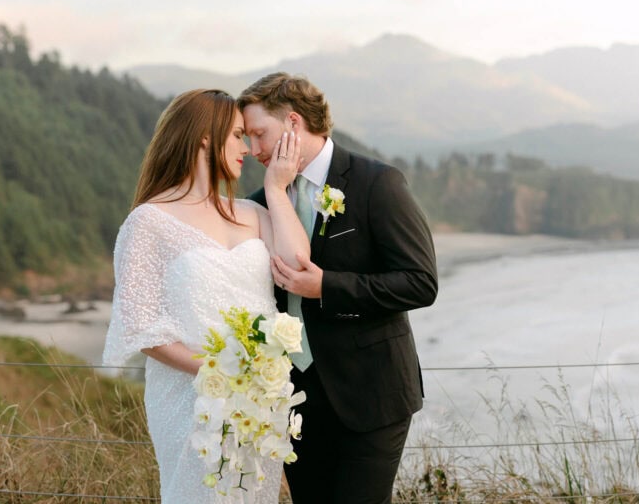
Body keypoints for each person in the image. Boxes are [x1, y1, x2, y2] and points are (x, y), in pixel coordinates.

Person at [238, 73, 438, 504]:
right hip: (294, 401)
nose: (253, 150)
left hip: (371, 395)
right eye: (248, 138)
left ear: (293, 123)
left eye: (259, 134)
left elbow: (420, 282)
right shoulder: (262, 199)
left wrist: (326, 286)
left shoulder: (376, 183)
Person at [102, 89, 309, 503]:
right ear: (204, 137)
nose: (248, 150)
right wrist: (220, 372)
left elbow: (297, 262)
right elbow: (143, 327)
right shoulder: (148, 222)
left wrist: (275, 188)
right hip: (189, 398)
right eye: (236, 136)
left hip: (259, 402)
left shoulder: (253, 214)